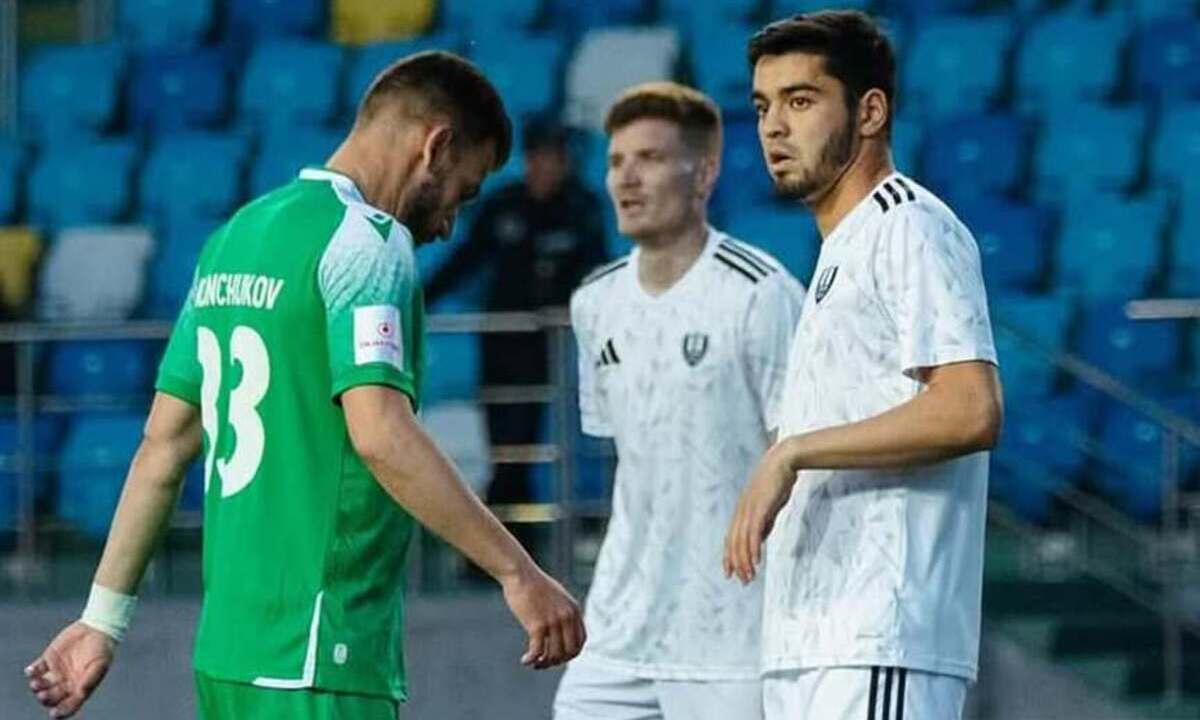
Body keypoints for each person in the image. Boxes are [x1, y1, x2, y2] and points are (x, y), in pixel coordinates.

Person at [25, 51, 584, 720]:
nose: (447, 227)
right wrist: (518, 573)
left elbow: (163, 447)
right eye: (461, 193)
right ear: (436, 146)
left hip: (229, 656)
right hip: (322, 653)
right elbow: (380, 432)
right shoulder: (368, 244)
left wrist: (102, 620)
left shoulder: (235, 236)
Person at [722, 12, 1004, 720]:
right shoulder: (839, 251)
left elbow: (971, 407)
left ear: (870, 111)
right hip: (815, 642)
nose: (773, 127)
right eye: (762, 106)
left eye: (801, 100)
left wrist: (793, 452)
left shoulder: (909, 224)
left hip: (879, 635)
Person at [554, 81, 805, 720]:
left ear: (705, 173)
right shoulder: (594, 303)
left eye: (651, 158)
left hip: (732, 636)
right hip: (617, 632)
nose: (626, 178)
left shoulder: (762, 294)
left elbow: (800, 455)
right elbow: (632, 458)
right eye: (616, 161)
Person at [425, 112, 608, 506]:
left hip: (544, 344)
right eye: (536, 157)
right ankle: (509, 520)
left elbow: (597, 273)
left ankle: (507, 518)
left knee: (525, 436)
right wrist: (420, 298)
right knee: (500, 439)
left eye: (552, 157)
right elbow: (464, 260)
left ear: (565, 161)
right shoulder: (503, 204)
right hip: (498, 337)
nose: (544, 167)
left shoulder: (581, 208)